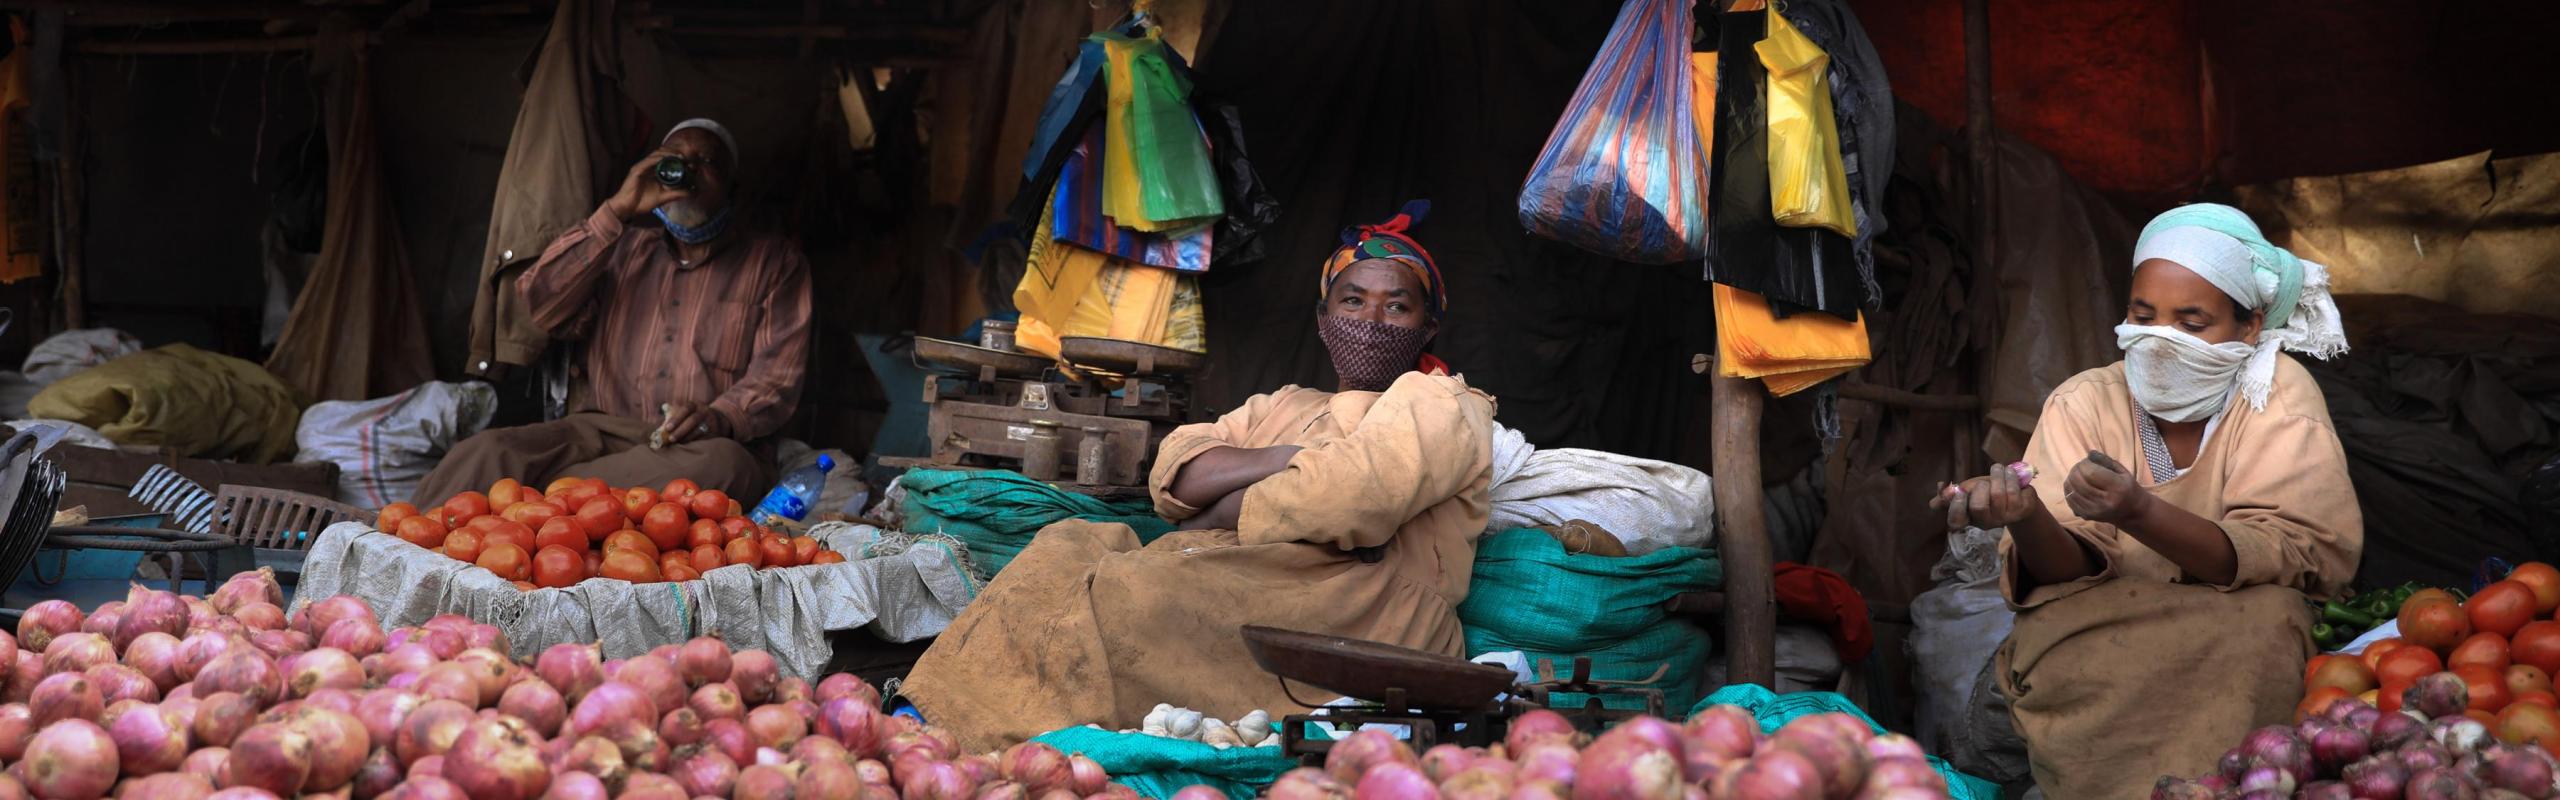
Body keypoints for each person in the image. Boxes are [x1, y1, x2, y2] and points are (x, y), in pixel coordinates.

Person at [896, 203, 1494, 750]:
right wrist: (1284, 456)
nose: (1372, 319)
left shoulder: (1443, 402)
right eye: (1353, 301)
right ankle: (938, 711)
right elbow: (1176, 467)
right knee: (1065, 544)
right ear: (1323, 318)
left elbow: (1349, 499)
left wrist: (1221, 506)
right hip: (1249, 575)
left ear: (1428, 325)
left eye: (1397, 306)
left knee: (1128, 593)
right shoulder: (1285, 403)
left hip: (1359, 611)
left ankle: (984, 734)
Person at [1935, 203, 2361, 799]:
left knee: (2270, 623)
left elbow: (2293, 549)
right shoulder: (2083, 402)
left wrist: (2140, 511)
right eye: (2144, 316)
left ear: (2250, 326)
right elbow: (2064, 572)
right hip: (2103, 623)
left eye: (2192, 323)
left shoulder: (2276, 395)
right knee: (2050, 634)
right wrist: (2026, 517)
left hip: (2239, 629)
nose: (2161, 339)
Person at [414, 119, 813, 504]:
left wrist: (718, 417)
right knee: (487, 451)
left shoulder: (774, 263)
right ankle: (395, 539)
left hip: (698, 444)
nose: (687, 171)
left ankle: (541, 501)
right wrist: (618, 209)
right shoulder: (622, 249)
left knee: (724, 466)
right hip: (597, 430)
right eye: (673, 158)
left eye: (706, 163)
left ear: (732, 187)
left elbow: (775, 378)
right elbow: (541, 304)